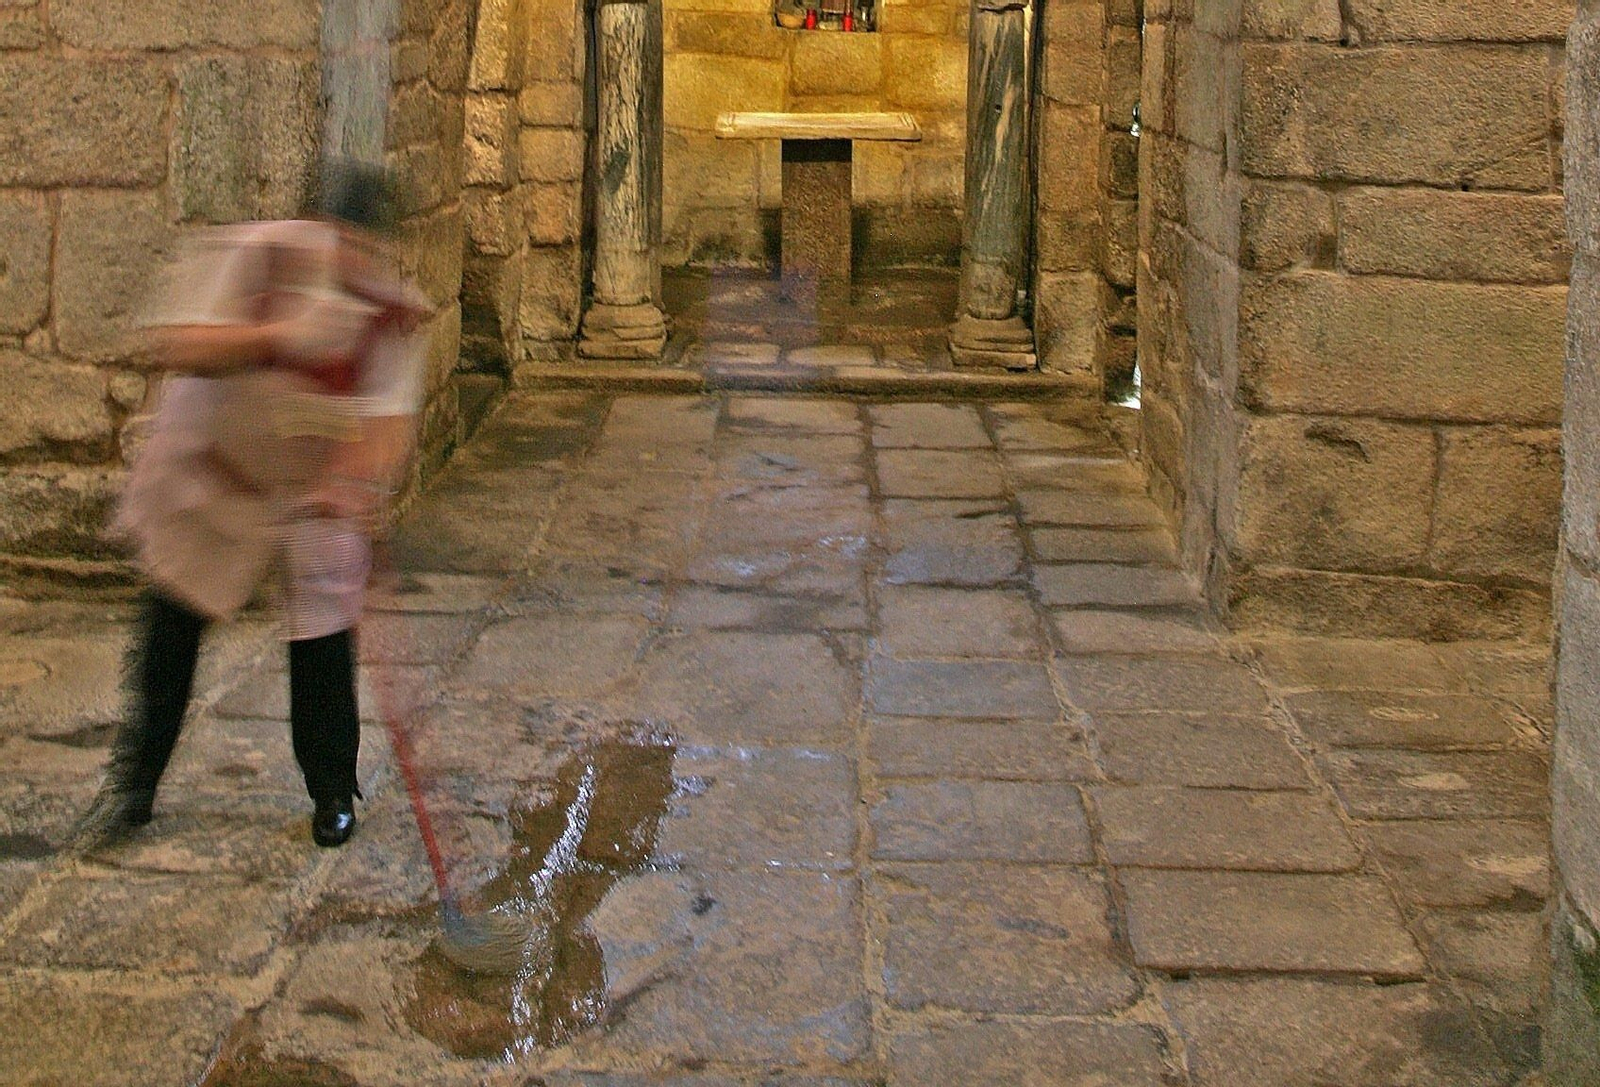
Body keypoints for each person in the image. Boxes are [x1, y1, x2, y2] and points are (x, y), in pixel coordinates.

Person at [72, 161, 431, 851]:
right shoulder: (257, 256)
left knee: (325, 639)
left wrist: (348, 481)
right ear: (314, 228)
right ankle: (134, 785)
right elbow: (183, 344)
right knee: (173, 625)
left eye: (362, 246)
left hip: (307, 490)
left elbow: (386, 423)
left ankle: (332, 790)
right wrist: (274, 336)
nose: (346, 258)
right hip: (215, 472)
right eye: (336, 240)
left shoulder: (389, 310)